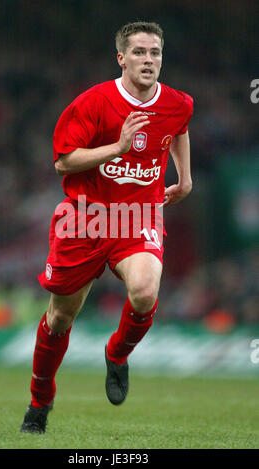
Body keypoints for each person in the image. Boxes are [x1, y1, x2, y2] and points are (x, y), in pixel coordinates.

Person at [21, 21, 193, 433]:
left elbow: (179, 129)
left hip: (139, 215)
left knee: (146, 290)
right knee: (61, 318)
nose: (148, 60)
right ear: (121, 58)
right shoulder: (93, 103)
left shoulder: (179, 102)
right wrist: (116, 147)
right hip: (85, 216)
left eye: (155, 52)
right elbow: (63, 161)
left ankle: (116, 354)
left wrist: (185, 177)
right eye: (139, 52)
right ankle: (39, 403)